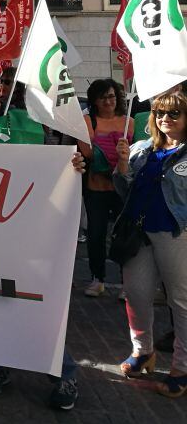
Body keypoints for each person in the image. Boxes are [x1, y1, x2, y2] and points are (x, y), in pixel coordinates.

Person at [0, 63, 84, 410]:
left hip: (30, 235)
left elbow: (60, 164)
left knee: (37, 307)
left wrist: (74, 164)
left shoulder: (29, 124)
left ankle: (63, 373)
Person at [113, 88, 187, 398]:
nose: (165, 118)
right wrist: (121, 165)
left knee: (180, 300)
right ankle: (143, 350)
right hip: (137, 233)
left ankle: (182, 366)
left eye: (173, 113)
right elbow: (122, 189)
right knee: (136, 294)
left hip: (175, 234)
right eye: (159, 113)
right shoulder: (142, 148)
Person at [77, 79, 129, 297]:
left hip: (122, 189)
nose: (108, 101)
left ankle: (128, 282)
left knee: (124, 235)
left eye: (112, 96)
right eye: (103, 97)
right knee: (96, 234)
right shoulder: (87, 121)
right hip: (95, 188)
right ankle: (97, 278)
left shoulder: (130, 122)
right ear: (95, 100)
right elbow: (87, 153)